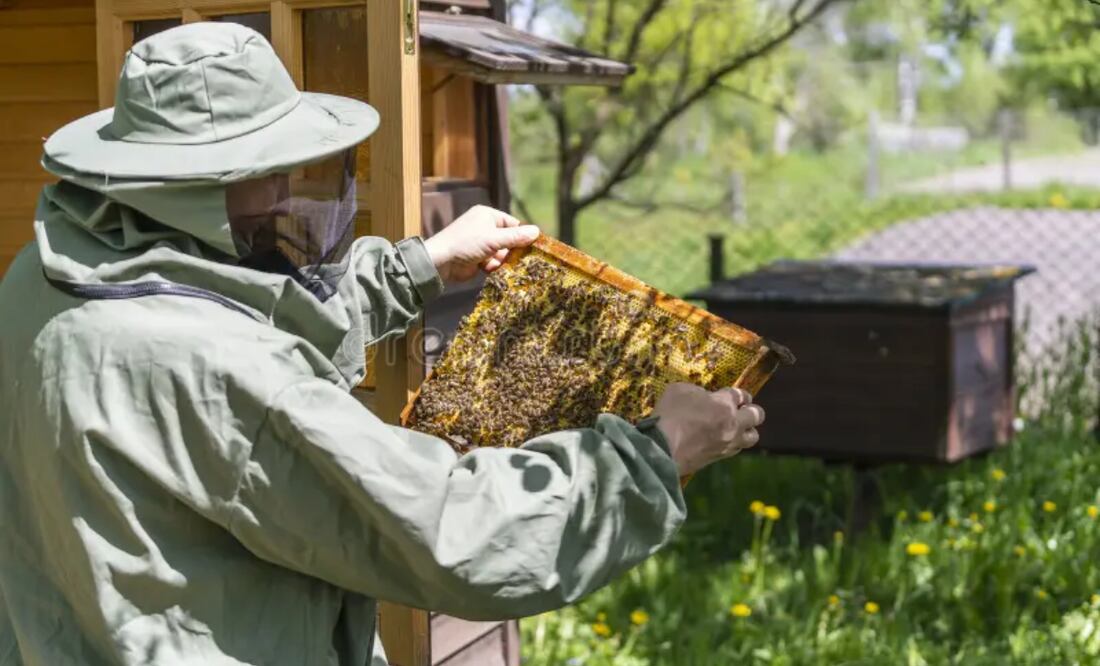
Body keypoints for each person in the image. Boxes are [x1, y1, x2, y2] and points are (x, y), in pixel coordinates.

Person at [0, 23, 765, 666]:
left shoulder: (49, 272)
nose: (280, 192)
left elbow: (232, 313)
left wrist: (416, 268)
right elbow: (454, 533)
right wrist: (658, 452)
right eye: (258, 172)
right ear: (185, 187)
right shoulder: (216, 367)